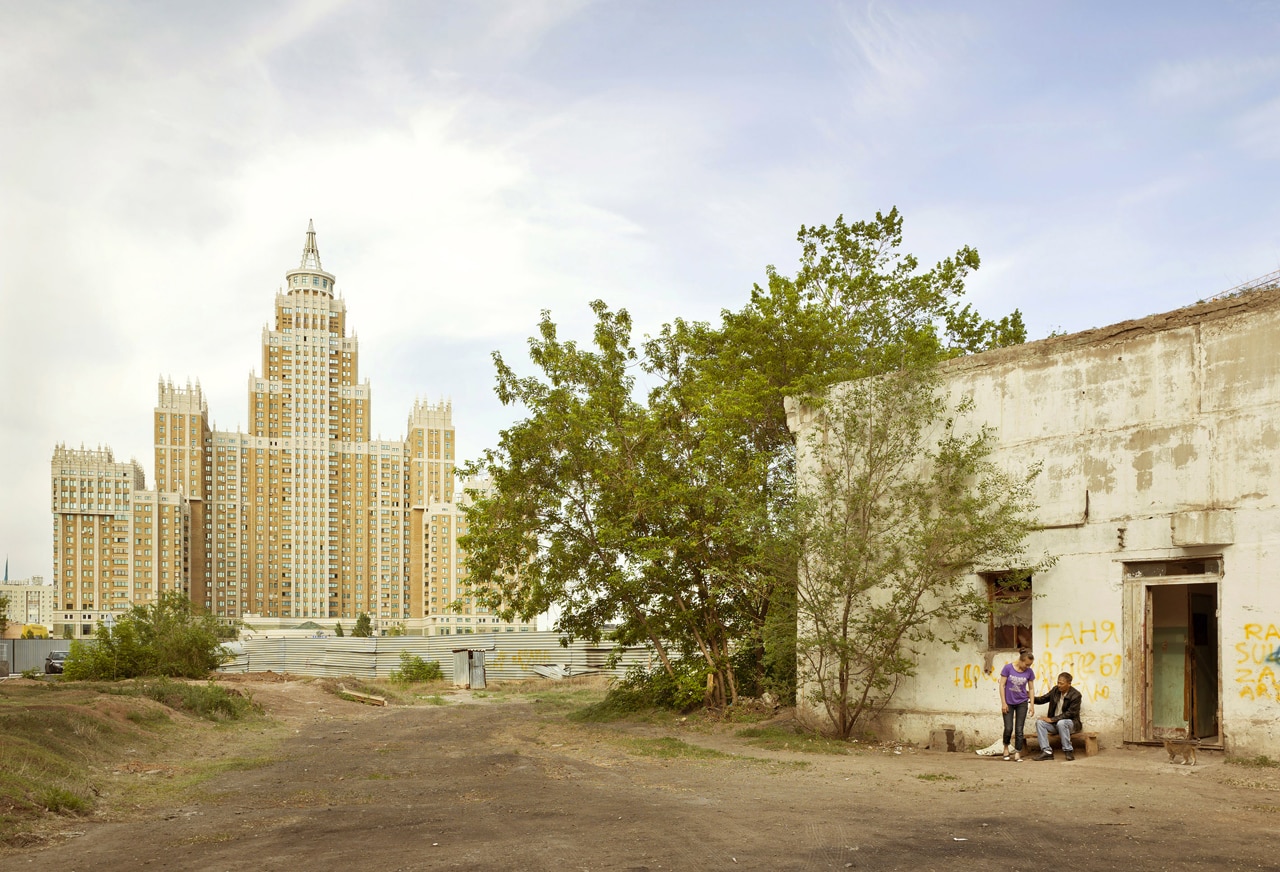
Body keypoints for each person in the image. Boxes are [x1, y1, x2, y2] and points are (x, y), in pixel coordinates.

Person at [1032, 672, 1083, 761]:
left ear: (1069, 684)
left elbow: (1070, 713)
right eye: (1058, 682)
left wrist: (1052, 719)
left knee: (1062, 723)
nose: (1059, 685)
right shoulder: (1055, 690)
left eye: (1061, 683)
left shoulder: (1076, 695)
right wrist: (1030, 697)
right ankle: (1047, 752)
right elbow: (1043, 699)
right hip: (1056, 723)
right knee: (1040, 722)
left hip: (1070, 724)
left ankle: (1068, 750)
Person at [997, 648, 1035, 761]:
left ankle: (1018, 752)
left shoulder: (1029, 672)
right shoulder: (1008, 668)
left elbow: (1031, 689)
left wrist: (1032, 705)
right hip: (1008, 702)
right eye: (1027, 664)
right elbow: (1002, 685)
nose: (1028, 667)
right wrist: (1003, 703)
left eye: (1030, 665)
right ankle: (1006, 747)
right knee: (1008, 728)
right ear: (1021, 660)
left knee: (1019, 729)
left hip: (1022, 702)